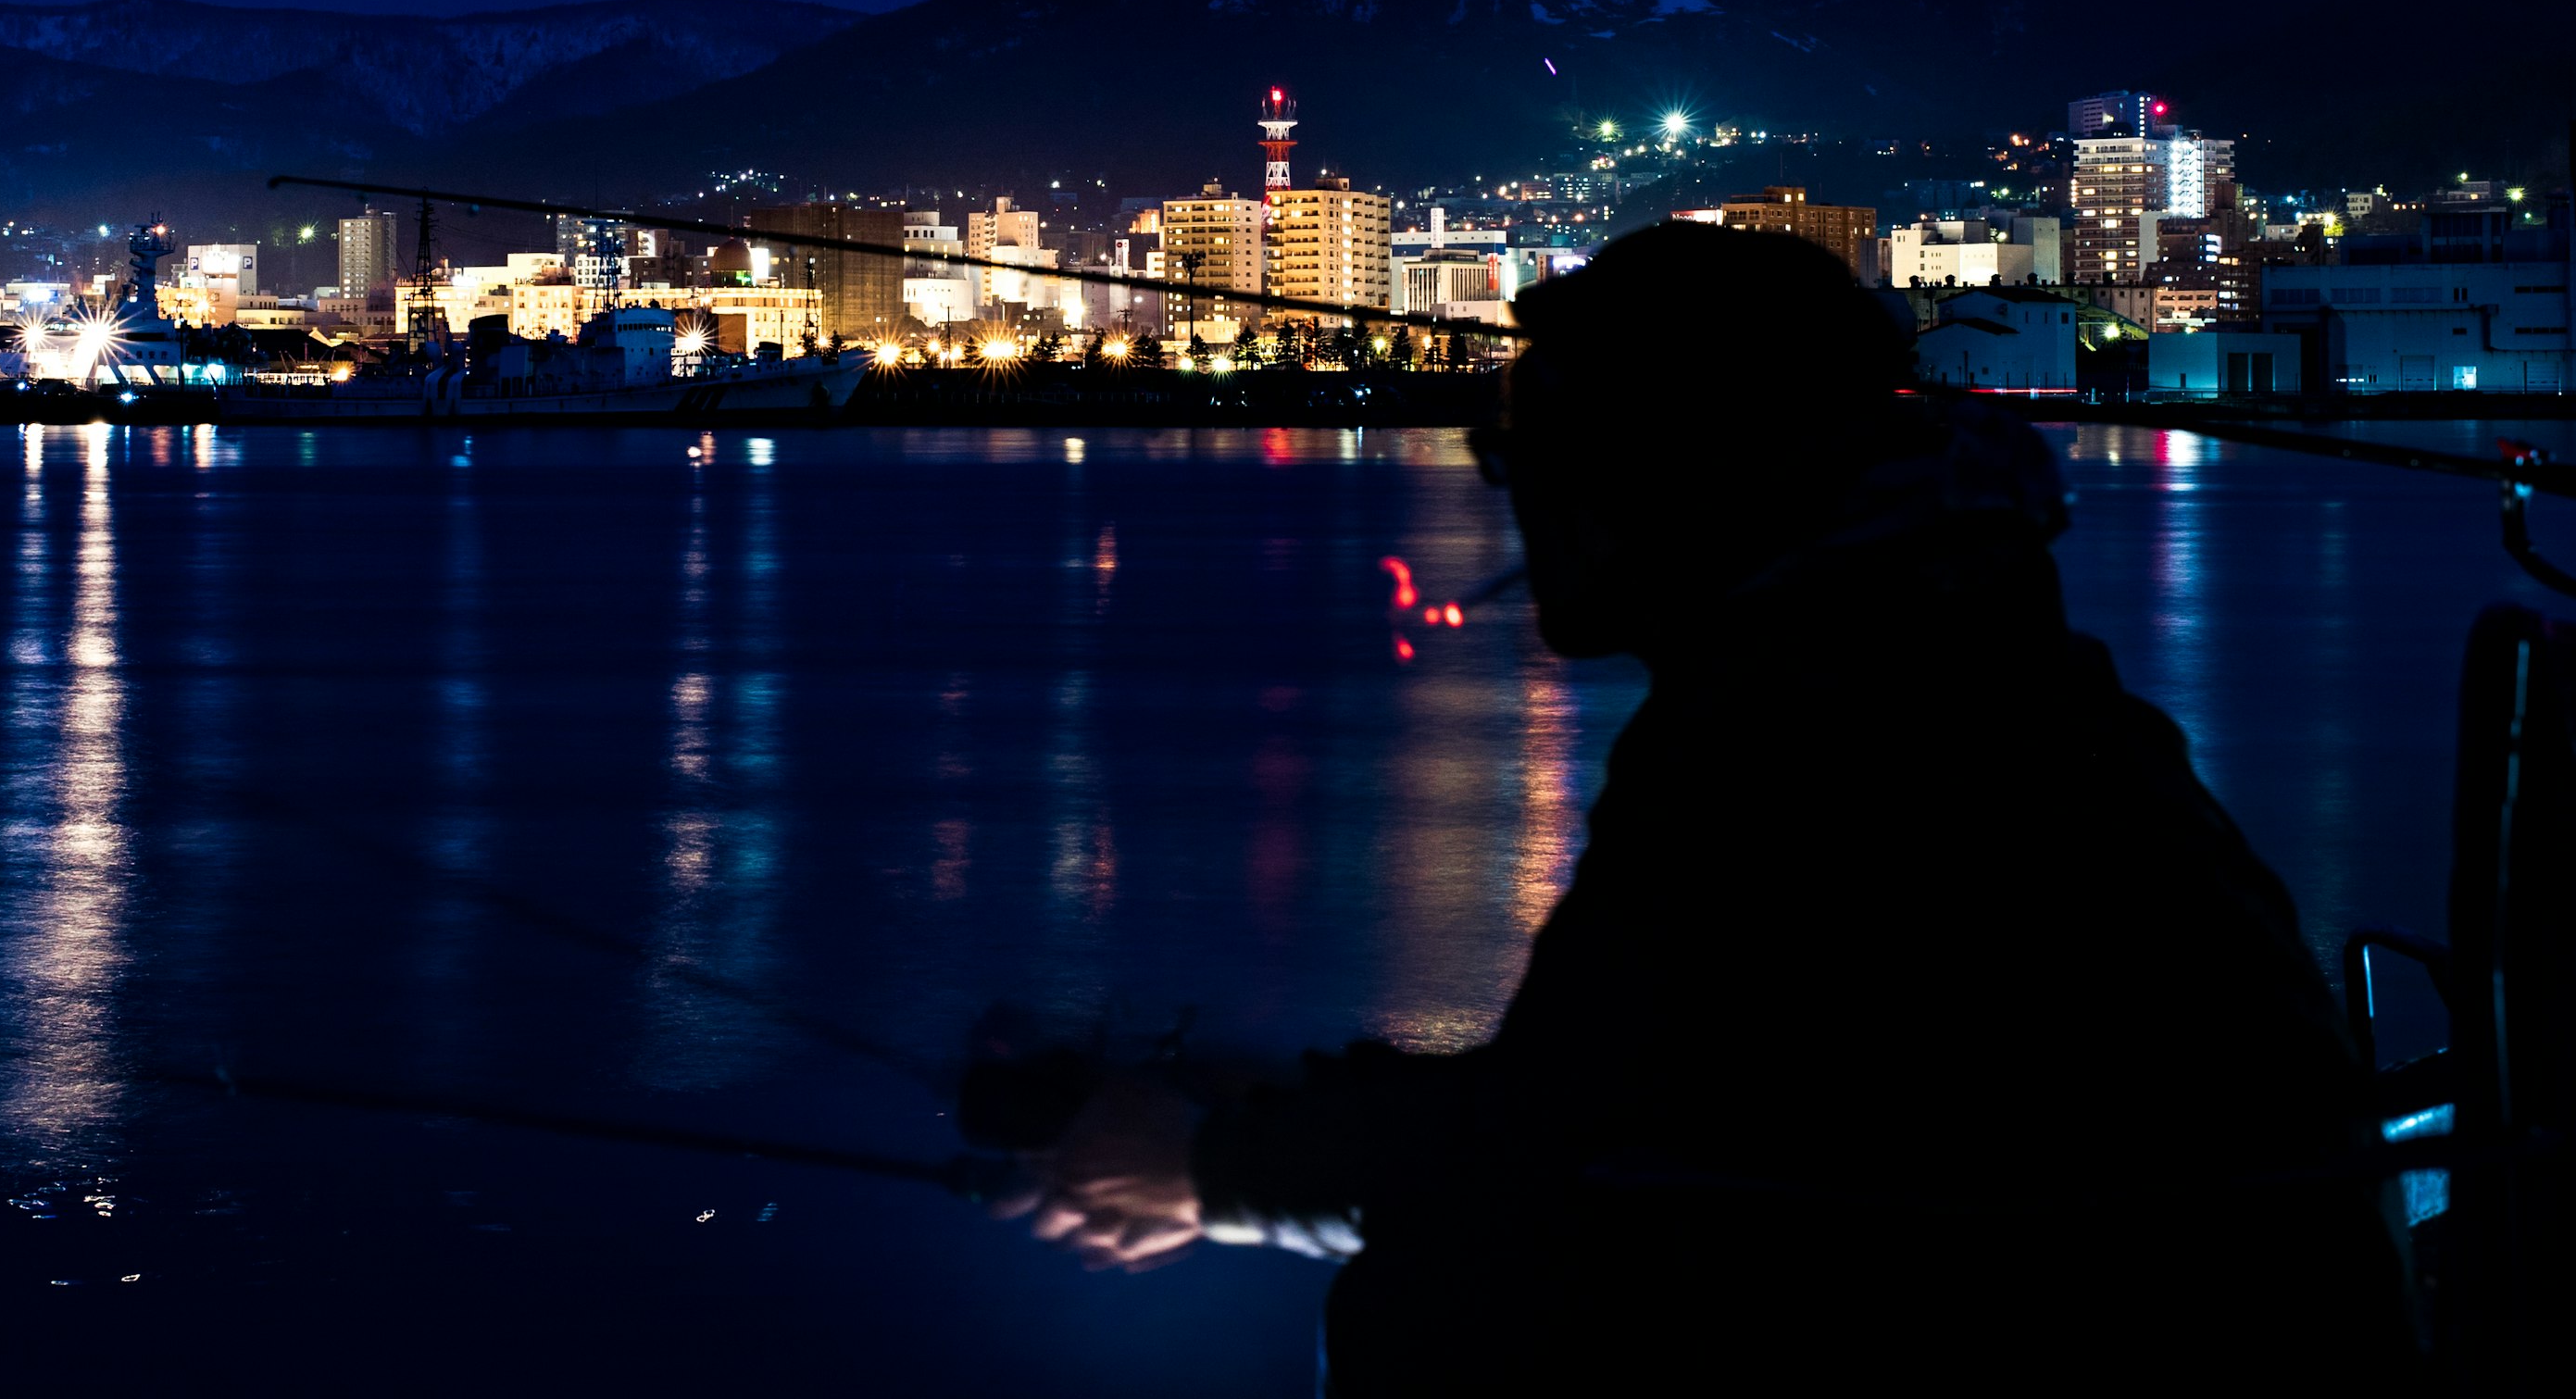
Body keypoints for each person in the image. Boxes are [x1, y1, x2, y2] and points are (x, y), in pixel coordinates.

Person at [1012, 221, 2417, 1393]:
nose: (1517, 509)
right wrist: (1299, 1125)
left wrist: (1206, 1168)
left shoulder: (1797, 729)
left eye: (1531, 463)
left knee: (1438, 1304)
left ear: (1666, 476)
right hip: (2254, 1312)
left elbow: (1565, 1145)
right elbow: (1688, 1089)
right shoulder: (1988, 663)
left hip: (2060, 1321)